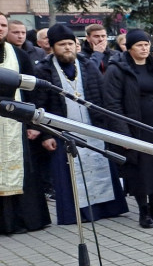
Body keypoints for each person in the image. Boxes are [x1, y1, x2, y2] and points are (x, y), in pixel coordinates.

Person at [34, 24, 129, 225]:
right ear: (52, 46)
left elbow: (102, 98)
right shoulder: (43, 70)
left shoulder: (87, 65)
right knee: (71, 173)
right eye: (62, 44)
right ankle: (77, 214)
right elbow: (40, 104)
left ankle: (107, 209)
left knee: (99, 165)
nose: (67, 48)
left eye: (70, 43)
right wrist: (46, 134)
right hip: (62, 131)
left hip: (93, 126)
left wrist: (108, 128)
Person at [101, 29, 153, 228]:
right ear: (129, 48)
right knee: (141, 170)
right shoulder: (117, 69)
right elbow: (112, 104)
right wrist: (124, 135)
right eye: (139, 45)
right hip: (134, 128)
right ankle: (144, 212)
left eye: (146, 44)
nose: (144, 48)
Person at [0, 13, 52, 234]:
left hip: (15, 124)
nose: (0, 28)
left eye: (2, 25)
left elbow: (33, 93)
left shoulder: (19, 55)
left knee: (21, 171)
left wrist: (33, 124)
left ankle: (22, 221)